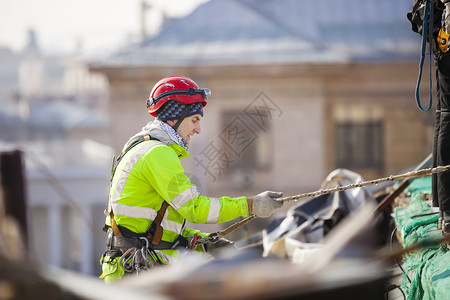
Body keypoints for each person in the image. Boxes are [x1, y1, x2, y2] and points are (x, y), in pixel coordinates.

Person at [100, 75, 284, 283]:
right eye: (194, 120)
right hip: (135, 273)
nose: (198, 129)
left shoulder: (146, 149)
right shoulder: (157, 154)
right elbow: (195, 208)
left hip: (132, 269)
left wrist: (203, 241)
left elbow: (162, 227)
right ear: (173, 118)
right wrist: (251, 205)